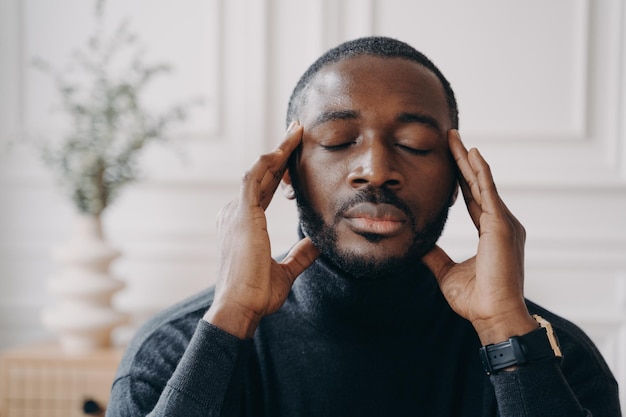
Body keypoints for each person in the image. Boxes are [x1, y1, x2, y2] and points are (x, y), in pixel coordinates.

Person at [106, 36, 621, 416]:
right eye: (336, 140)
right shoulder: (172, 354)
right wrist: (230, 319)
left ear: (457, 180)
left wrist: (505, 331)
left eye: (416, 145)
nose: (375, 169)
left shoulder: (556, 360)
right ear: (287, 173)